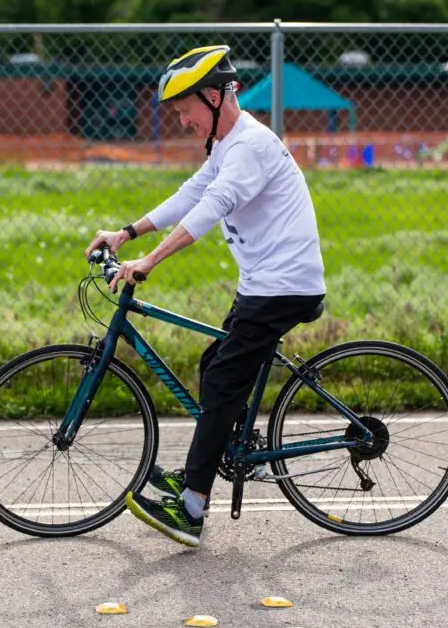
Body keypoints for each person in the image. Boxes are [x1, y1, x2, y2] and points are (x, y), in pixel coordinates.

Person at [83, 45, 326, 548]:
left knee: (220, 381)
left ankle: (191, 508)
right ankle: (213, 462)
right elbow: (193, 193)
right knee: (215, 362)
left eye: (185, 111)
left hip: (283, 287)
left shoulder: (250, 146)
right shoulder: (226, 145)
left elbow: (212, 206)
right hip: (263, 283)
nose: (182, 122)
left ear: (214, 97)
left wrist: (151, 261)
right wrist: (127, 234)